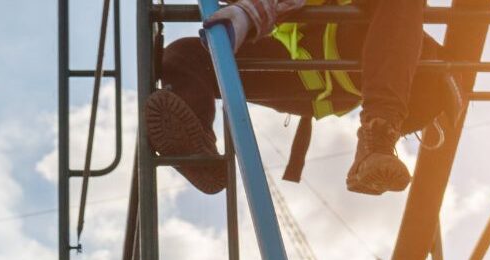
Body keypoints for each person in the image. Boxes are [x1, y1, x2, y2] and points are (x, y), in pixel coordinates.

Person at [148, 0, 458, 196]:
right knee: (182, 56)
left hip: (363, 55)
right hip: (297, 67)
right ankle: (197, 149)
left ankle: (377, 139)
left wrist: (247, 14)